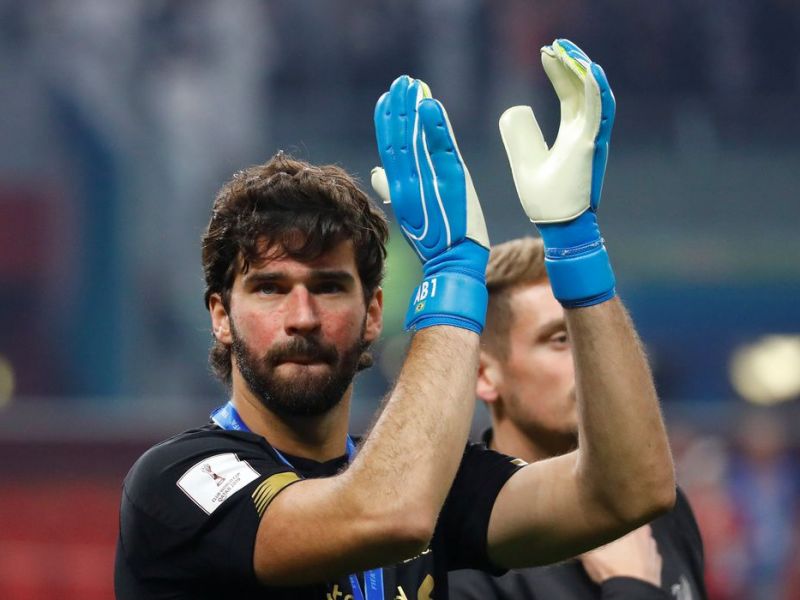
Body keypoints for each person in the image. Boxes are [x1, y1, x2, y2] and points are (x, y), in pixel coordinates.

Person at [115, 39, 675, 599]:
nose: (302, 317)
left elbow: (629, 490)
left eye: (329, 287)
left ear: (372, 315)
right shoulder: (182, 480)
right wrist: (453, 273)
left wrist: (578, 250)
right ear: (220, 316)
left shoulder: (428, 480)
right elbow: (387, 514)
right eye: (270, 289)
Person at [448, 237, 708, 599]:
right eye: (559, 339)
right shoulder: (463, 560)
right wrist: (632, 587)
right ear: (484, 376)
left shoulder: (661, 505)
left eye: (594, 336)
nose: (591, 360)